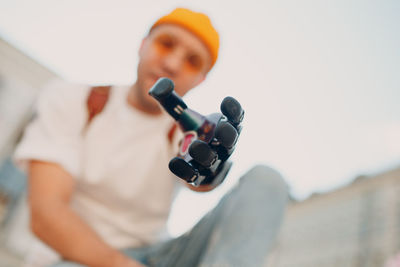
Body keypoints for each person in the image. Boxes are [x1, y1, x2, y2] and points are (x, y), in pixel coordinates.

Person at [13, 7, 288, 267]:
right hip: (77, 257)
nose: (171, 63)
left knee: (267, 180)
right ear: (143, 44)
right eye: (166, 44)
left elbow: (196, 175)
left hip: (161, 255)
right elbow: (47, 214)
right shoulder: (75, 100)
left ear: (200, 79)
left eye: (192, 61)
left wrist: (210, 174)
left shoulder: (186, 133)